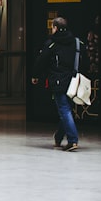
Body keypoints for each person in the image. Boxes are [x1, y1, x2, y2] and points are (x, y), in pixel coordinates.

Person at [31, 16, 89, 151]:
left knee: (64, 110)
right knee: (67, 110)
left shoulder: (51, 43)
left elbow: (41, 61)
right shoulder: (77, 42)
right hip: (75, 82)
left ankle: (73, 140)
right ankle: (58, 138)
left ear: (55, 28)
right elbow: (86, 61)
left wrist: (35, 75)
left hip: (58, 82)